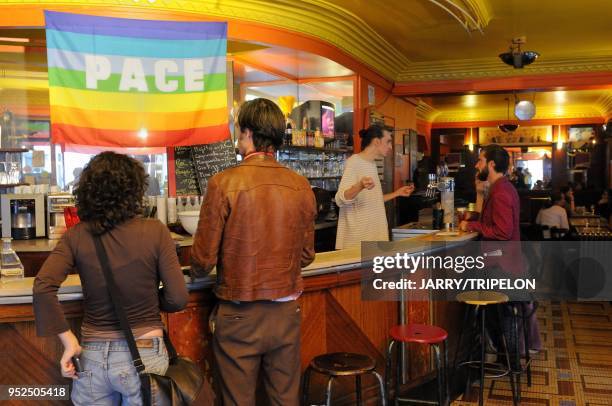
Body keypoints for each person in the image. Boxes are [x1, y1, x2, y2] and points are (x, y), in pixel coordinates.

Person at [33, 152, 189, 405]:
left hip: (92, 357)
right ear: (135, 190)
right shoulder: (155, 231)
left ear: (87, 192)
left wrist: (69, 341)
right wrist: (151, 299)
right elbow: (178, 298)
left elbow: (42, 287)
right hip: (145, 352)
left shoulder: (77, 235)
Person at [191, 98, 316, 406]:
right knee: (285, 400)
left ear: (246, 132)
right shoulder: (300, 185)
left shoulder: (223, 183)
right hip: (286, 313)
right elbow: (307, 254)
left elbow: (202, 261)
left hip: (239, 315)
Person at [459, 145, 541, 354]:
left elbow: (503, 232)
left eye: (480, 160)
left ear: (491, 164)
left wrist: (472, 226)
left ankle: (508, 359)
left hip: (501, 265)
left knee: (497, 311)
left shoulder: (501, 192)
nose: (477, 164)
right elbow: (496, 221)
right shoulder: (499, 187)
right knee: (495, 310)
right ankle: (500, 351)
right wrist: (475, 217)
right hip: (505, 262)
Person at [335, 124, 414, 249]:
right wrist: (360, 185)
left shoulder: (371, 164)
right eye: (388, 142)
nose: (390, 146)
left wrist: (397, 193)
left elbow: (373, 200)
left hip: (372, 238)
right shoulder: (354, 162)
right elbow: (340, 199)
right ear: (377, 141)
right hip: (358, 242)